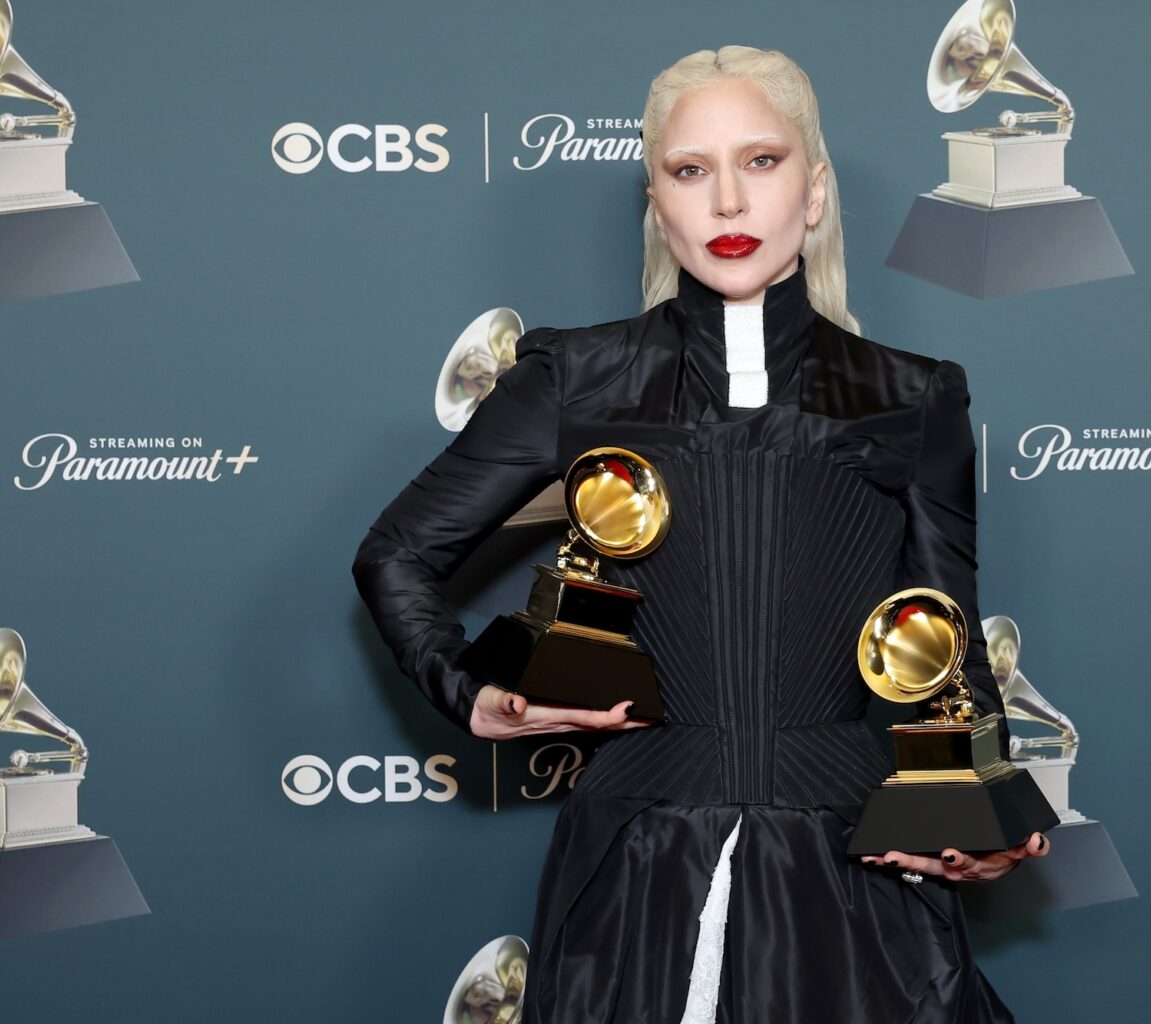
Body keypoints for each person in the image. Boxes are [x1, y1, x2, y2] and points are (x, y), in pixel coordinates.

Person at [352, 44, 1049, 1024]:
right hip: (638, 870)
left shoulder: (912, 395)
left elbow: (946, 644)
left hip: (853, 864)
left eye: (761, 161)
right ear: (658, 203)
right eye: (690, 170)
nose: (728, 201)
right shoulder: (577, 377)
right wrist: (467, 693)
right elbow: (396, 553)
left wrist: (980, 810)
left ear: (814, 191)